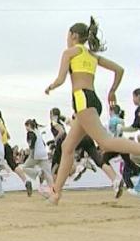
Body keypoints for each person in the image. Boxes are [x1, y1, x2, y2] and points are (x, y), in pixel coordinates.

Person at [45, 17, 140, 205]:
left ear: (73, 35)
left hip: (82, 100)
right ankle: (56, 193)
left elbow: (61, 78)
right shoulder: (92, 55)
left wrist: (51, 87)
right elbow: (119, 70)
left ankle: (56, 193)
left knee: (105, 142)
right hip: (93, 100)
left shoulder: (70, 52)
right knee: (67, 147)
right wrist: (112, 90)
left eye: (67, 35)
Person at [0, 108, 33, 196]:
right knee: (14, 166)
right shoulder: (2, 124)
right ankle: (26, 180)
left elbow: (1, 133)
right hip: (7, 146)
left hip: (0, 147)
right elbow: (8, 136)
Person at [103, 105, 140, 189]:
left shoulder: (112, 120)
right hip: (122, 144)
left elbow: (111, 133)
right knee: (129, 163)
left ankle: (116, 179)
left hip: (115, 144)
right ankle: (130, 185)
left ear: (111, 111)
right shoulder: (121, 120)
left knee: (103, 160)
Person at [22, 119, 55, 197]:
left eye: (26, 126)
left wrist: (31, 154)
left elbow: (31, 146)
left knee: (25, 167)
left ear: (29, 126)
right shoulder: (37, 131)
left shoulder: (30, 133)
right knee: (48, 174)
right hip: (43, 154)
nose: (25, 128)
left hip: (35, 155)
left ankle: (38, 172)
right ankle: (53, 191)